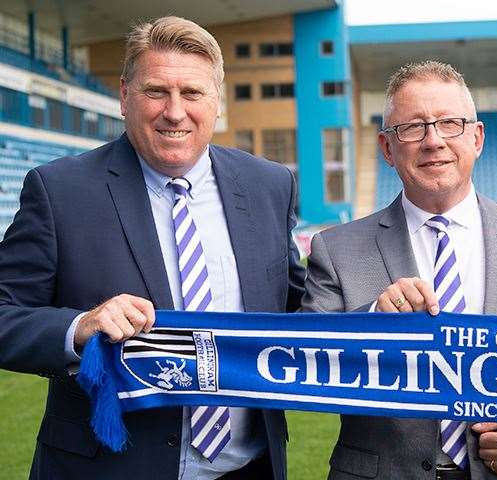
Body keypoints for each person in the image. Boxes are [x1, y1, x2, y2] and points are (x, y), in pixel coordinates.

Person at [0, 16, 305, 480]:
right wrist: (81, 326)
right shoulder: (59, 190)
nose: (175, 111)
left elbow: (298, 311)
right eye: (156, 91)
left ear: (217, 101)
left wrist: (376, 317)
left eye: (193, 93)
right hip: (109, 469)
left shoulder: (270, 185)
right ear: (125, 97)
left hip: (250, 467)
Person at [301, 60, 497, 480]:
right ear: (387, 149)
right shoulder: (336, 249)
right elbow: (303, 364)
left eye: (450, 123)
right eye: (412, 127)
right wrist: (373, 322)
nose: (434, 141)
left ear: (477, 137)